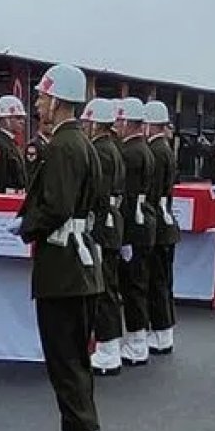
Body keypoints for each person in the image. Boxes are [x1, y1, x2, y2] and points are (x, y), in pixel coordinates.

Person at [10, 64, 104, 431]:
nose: (38, 104)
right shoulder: (80, 144)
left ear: (59, 101)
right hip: (79, 264)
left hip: (64, 268)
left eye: (43, 98)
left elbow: (58, 205)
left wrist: (26, 225)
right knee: (74, 361)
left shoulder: (64, 147)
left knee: (65, 361)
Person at [82, 99, 126, 376]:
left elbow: (94, 191)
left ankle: (108, 347)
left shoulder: (100, 151)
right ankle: (109, 345)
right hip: (110, 219)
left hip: (100, 222)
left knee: (104, 287)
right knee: (108, 285)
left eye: (87, 122)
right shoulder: (112, 148)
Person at [115, 98, 157, 366]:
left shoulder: (130, 154)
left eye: (119, 121)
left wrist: (124, 236)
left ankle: (136, 340)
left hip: (134, 224)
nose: (116, 126)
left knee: (132, 286)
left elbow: (127, 198)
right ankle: (136, 337)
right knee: (137, 283)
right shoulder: (145, 149)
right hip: (145, 221)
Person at [143, 100, 179, 355]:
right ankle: (163, 329)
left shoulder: (156, 151)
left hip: (157, 219)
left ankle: (160, 330)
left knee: (156, 279)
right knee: (163, 279)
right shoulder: (165, 149)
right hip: (167, 219)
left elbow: (151, 192)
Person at [0, 95, 28, 193]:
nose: (22, 122)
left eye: (23, 118)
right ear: (6, 119)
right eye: (18, 118)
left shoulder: (11, 143)